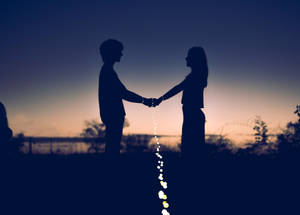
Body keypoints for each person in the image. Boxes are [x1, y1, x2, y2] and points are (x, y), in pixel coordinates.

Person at [98, 39, 156, 159]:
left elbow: (121, 92)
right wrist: (144, 100)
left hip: (111, 114)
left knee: (112, 147)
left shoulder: (107, 70)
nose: (121, 54)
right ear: (111, 52)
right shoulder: (108, 71)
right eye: (119, 51)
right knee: (113, 149)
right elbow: (123, 93)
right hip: (113, 114)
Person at [154, 47, 208, 161]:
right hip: (191, 115)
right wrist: (161, 99)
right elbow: (178, 88)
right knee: (192, 151)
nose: (186, 59)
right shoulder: (196, 75)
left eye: (188, 57)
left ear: (194, 59)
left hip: (192, 116)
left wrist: (161, 99)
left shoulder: (196, 76)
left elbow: (177, 88)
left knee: (191, 153)